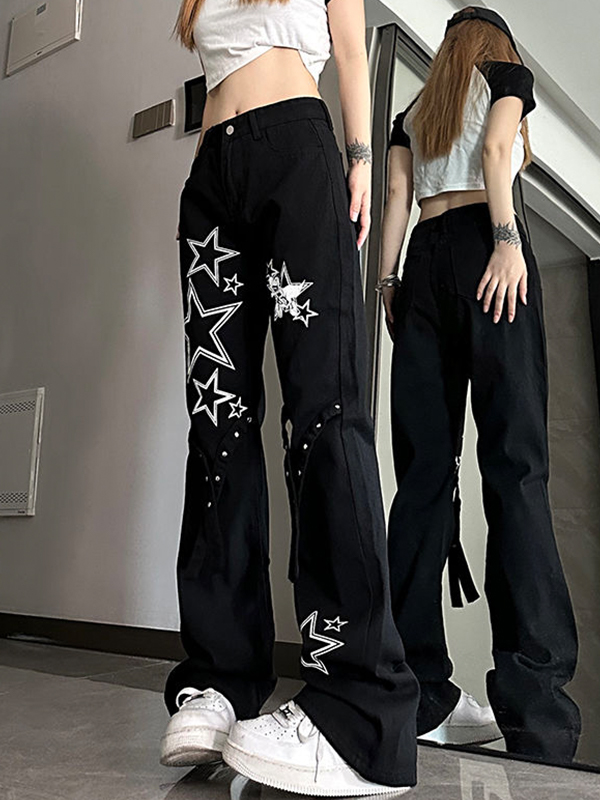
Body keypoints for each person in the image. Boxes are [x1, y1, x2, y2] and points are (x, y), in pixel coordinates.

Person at [160, 0, 419, 794]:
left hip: (297, 150)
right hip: (212, 179)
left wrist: (360, 160)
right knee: (218, 424)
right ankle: (221, 677)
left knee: (323, 414)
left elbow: (350, 47)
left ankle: (361, 710)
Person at [379, 7, 581, 762]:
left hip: (421, 263)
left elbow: (397, 201)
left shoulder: (413, 111)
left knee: (422, 479)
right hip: (484, 246)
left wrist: (389, 284)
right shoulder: (504, 75)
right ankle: (536, 710)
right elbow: (498, 150)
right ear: (498, 44)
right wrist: (506, 239)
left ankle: (415, 690)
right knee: (516, 470)